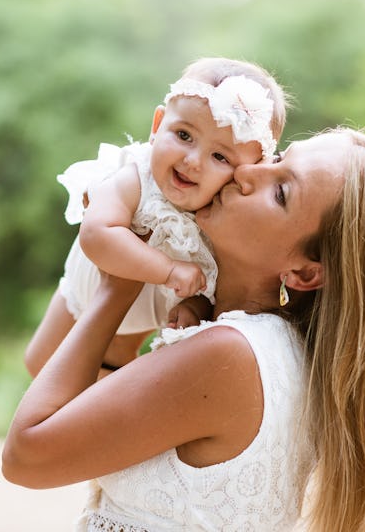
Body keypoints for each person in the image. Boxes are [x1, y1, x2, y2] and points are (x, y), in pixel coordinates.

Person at [3, 126, 365, 531]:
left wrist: (115, 291)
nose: (248, 173)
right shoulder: (271, 349)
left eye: (282, 192)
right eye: (276, 159)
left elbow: (25, 457)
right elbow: (69, 391)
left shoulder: (227, 355)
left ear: (306, 273)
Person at [24, 57, 288, 377]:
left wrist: (195, 307)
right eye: (184, 135)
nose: (192, 161)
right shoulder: (137, 176)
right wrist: (167, 270)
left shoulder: (225, 219)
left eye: (219, 156)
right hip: (84, 292)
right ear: (157, 125)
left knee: (96, 398)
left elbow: (213, 285)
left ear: (249, 172)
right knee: (39, 364)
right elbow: (96, 234)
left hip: (140, 324)